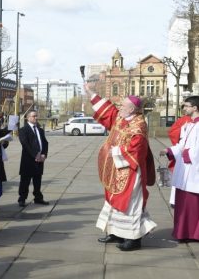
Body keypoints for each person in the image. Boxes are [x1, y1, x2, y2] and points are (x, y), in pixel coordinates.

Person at [85, 85, 156, 251]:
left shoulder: (139, 126)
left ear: (132, 109)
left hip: (130, 172)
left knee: (130, 204)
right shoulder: (121, 117)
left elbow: (136, 150)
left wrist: (114, 151)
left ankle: (133, 239)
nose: (120, 108)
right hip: (115, 170)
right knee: (112, 201)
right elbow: (108, 111)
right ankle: (116, 233)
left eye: (123, 106)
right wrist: (91, 93)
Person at [160, 96, 199, 241]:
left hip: (194, 171)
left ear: (195, 108)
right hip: (185, 171)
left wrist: (187, 153)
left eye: (186, 106)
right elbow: (182, 145)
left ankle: (192, 233)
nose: (184, 109)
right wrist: (169, 151)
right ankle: (183, 232)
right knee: (183, 203)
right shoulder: (189, 125)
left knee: (192, 205)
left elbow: (196, 150)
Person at [18, 110, 49, 207]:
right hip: (28, 160)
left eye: (36, 116)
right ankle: (22, 198)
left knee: (37, 180)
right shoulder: (23, 130)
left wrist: (44, 154)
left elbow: (45, 143)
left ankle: (38, 198)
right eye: (33, 116)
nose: (36, 118)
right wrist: (35, 155)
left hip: (40, 160)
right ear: (28, 117)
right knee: (25, 181)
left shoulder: (40, 130)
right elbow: (25, 144)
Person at [166, 112, 190, 206]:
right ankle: (175, 200)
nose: (185, 109)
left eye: (187, 106)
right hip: (183, 151)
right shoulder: (184, 119)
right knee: (180, 174)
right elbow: (173, 132)